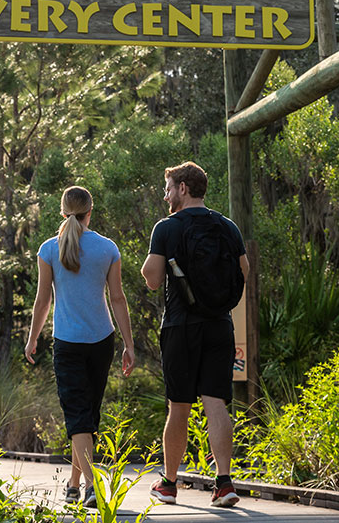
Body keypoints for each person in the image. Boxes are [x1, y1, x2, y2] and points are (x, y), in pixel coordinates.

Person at [140, 162, 249, 508]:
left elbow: (154, 277)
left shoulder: (167, 228)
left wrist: (150, 270)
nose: (166, 194)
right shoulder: (227, 226)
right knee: (216, 403)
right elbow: (245, 272)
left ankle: (169, 484)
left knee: (179, 406)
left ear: (184, 188)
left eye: (169, 187)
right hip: (220, 325)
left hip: (180, 326)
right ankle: (225, 483)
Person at [25, 185, 135, 508]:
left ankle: (89, 488)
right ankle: (75, 486)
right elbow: (117, 299)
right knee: (86, 417)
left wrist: (33, 338)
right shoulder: (107, 248)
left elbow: (43, 300)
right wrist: (129, 344)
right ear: (91, 212)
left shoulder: (48, 249)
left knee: (79, 416)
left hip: (68, 343)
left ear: (62, 213)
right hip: (103, 340)